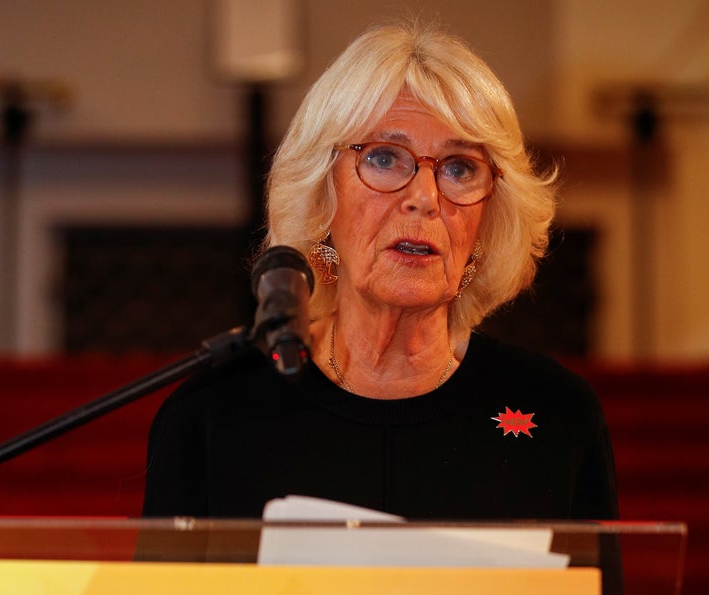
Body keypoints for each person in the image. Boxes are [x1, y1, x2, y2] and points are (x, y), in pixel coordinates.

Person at [142, 20, 618, 525]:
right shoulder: (216, 413)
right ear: (323, 195)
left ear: (488, 220)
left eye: (459, 167)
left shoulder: (560, 416)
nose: (424, 198)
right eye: (385, 157)